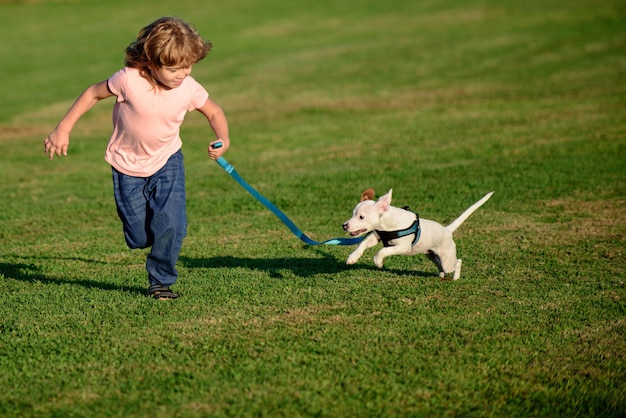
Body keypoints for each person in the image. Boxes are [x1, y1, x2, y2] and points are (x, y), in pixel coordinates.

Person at [43, 17, 230, 300]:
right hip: (125, 164)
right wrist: (63, 129)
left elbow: (214, 112)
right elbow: (93, 94)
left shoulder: (189, 88)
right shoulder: (128, 80)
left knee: (172, 223)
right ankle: (155, 239)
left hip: (167, 160)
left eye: (187, 66)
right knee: (140, 236)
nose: (181, 74)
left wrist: (223, 139)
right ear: (152, 62)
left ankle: (160, 282)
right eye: (173, 68)